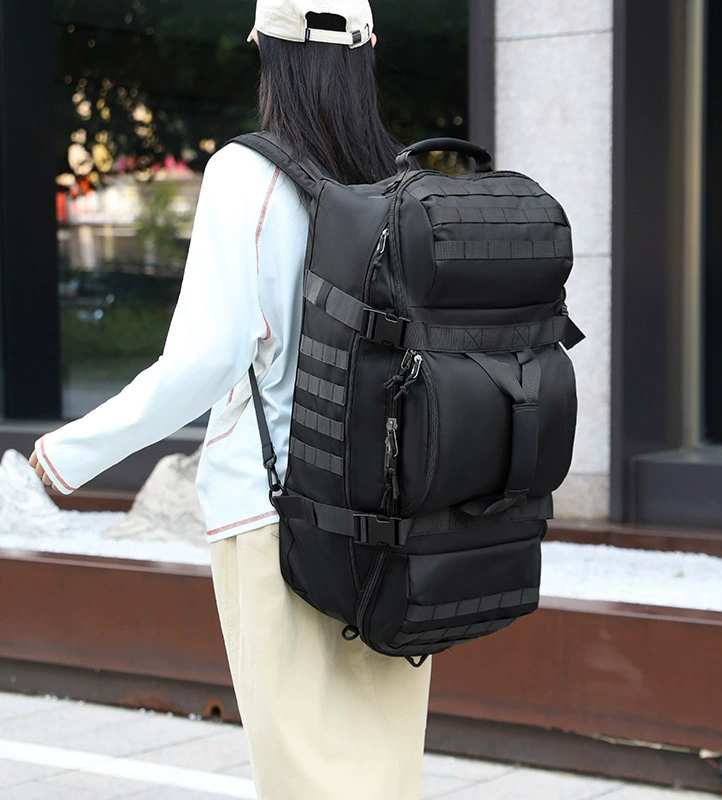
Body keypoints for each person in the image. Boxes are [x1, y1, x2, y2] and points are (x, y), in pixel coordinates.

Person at [29, 1, 433, 797]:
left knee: (302, 775)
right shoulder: (399, 178)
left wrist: (67, 454)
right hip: (393, 513)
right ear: (368, 50)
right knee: (382, 774)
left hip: (276, 516)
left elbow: (205, 360)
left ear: (266, 51)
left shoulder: (246, 174)